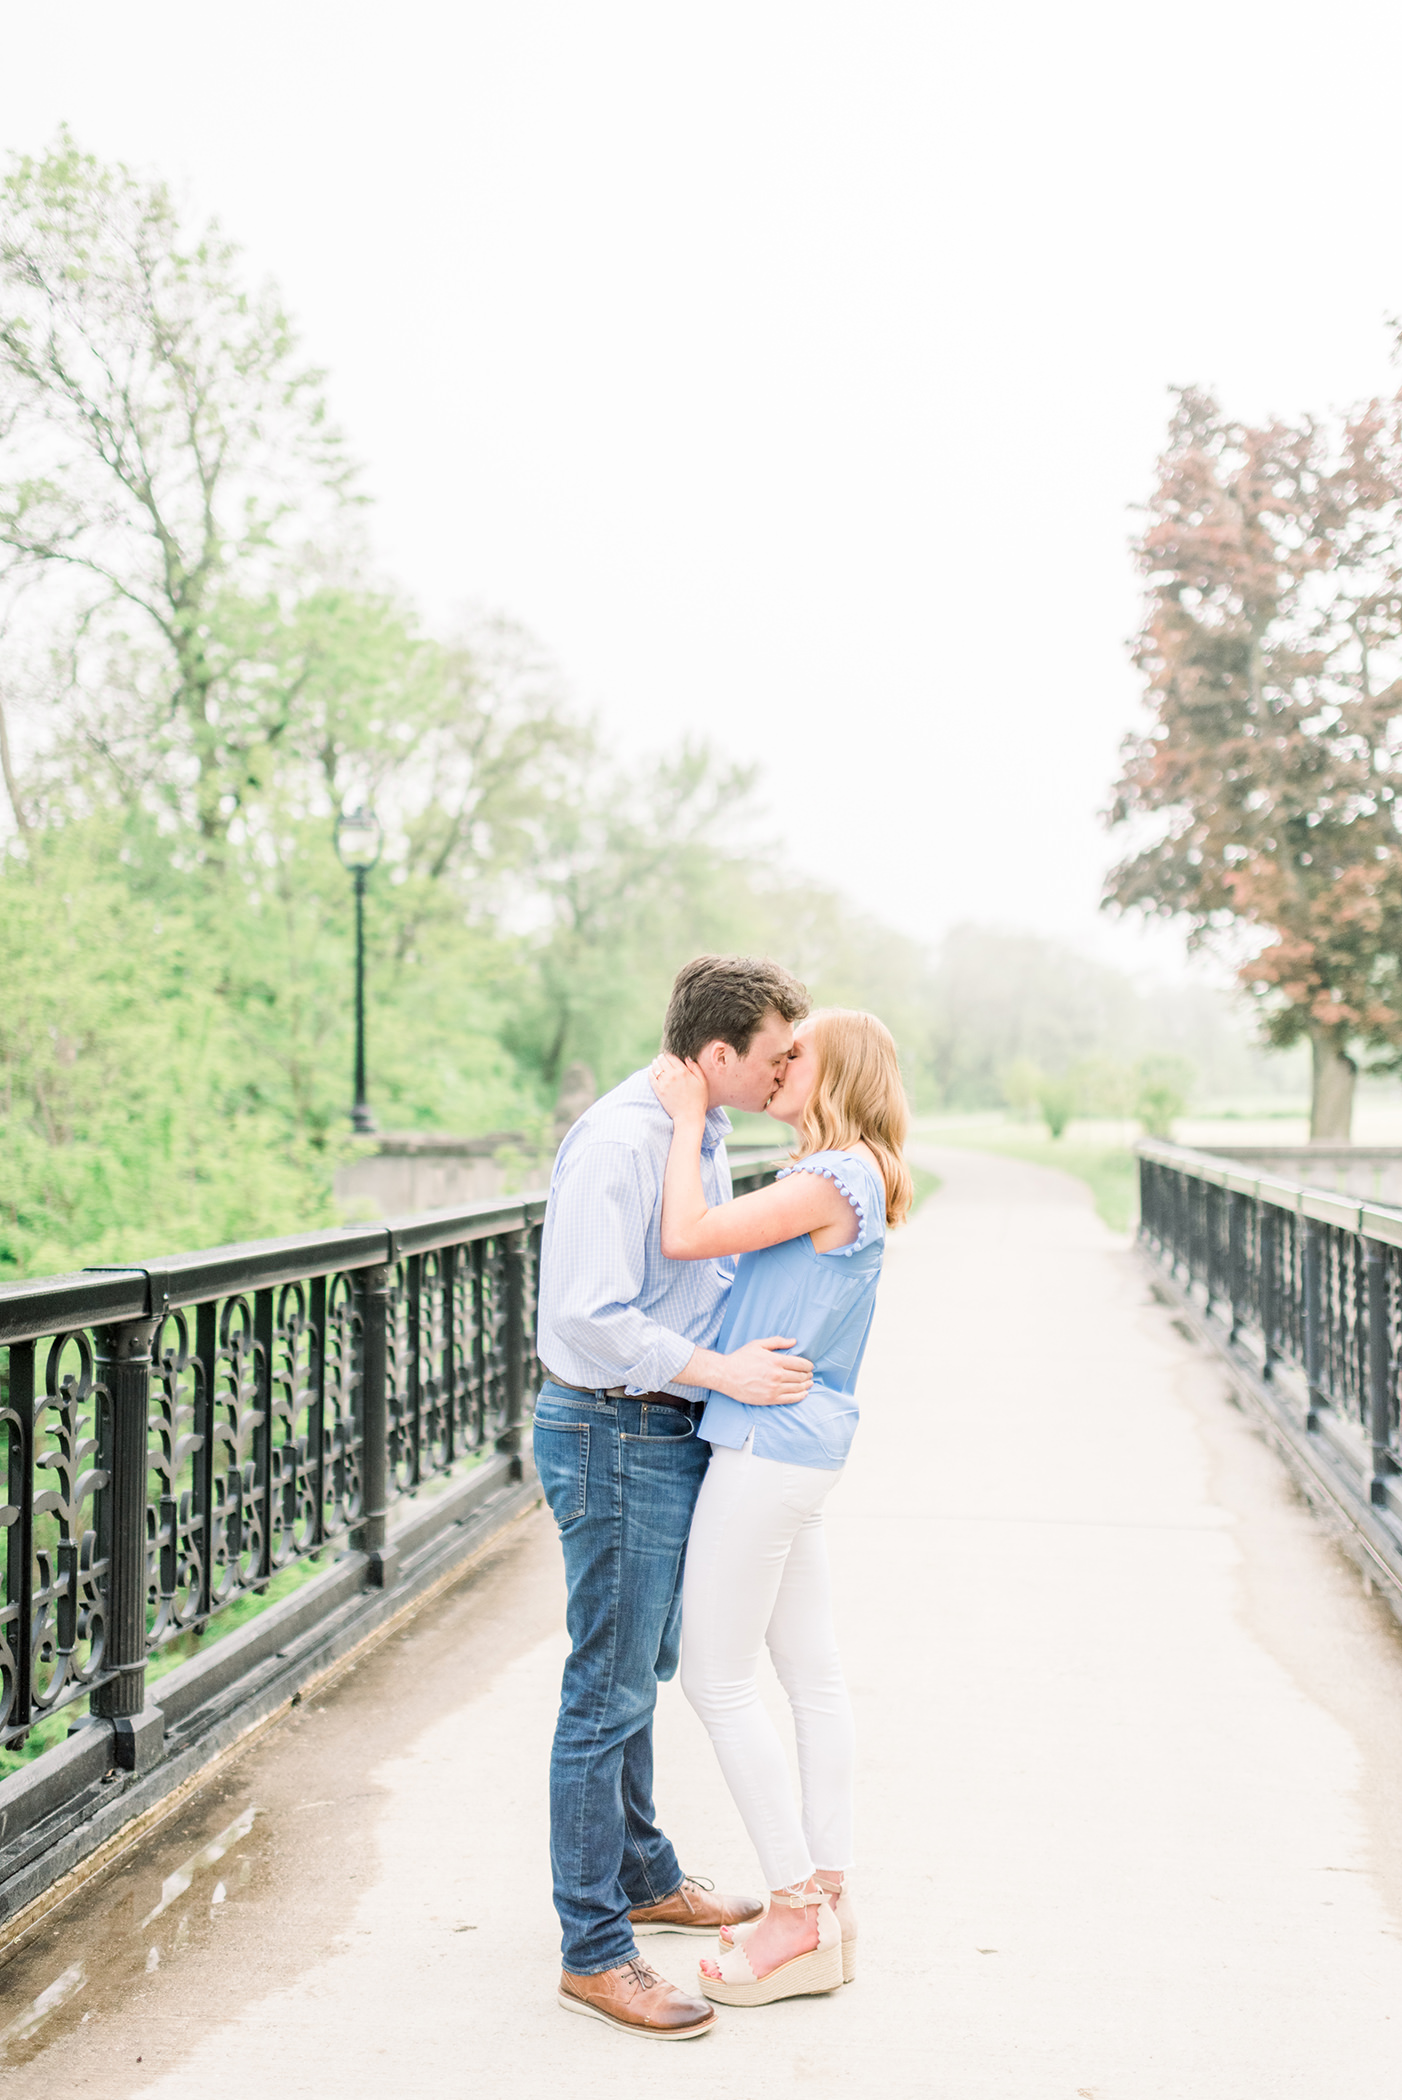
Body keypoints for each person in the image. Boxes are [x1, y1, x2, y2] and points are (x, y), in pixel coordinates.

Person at [534, 953, 814, 2041]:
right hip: (611, 1427)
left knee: (640, 1667)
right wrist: (723, 1373)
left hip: (660, 1424)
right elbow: (594, 1317)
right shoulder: (619, 1144)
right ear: (715, 1055)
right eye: (775, 1054)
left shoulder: (702, 1122)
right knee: (605, 1690)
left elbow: (698, 1270)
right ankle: (594, 1950)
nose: (787, 1067)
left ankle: (645, 1873)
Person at [648, 1007, 911, 2008]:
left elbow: (685, 1235)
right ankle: (829, 1898)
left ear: (836, 1071)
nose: (778, 1061)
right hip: (798, 1451)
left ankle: (796, 1913)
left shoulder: (830, 1177)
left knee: (715, 1682)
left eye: (796, 1052)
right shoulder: (856, 1175)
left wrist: (682, 1121)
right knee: (809, 1674)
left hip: (764, 1450)